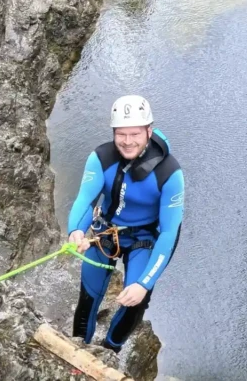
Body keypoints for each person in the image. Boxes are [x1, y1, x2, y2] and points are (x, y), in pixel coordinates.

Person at [67, 95, 185, 352]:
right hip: (104, 232)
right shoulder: (101, 158)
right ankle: (77, 353)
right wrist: (75, 229)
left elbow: (169, 232)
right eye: (121, 134)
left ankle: (110, 351)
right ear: (113, 132)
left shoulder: (169, 173)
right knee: (88, 298)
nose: (128, 141)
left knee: (136, 301)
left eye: (135, 134)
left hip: (143, 238)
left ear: (149, 131)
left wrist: (144, 283)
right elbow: (86, 200)